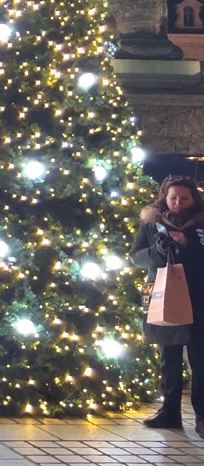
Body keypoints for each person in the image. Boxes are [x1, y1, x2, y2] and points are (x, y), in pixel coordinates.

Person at [131, 175, 204, 434]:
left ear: (194, 198)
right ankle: (169, 412)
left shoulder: (201, 223)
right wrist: (159, 252)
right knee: (168, 357)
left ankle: (202, 417)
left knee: (200, 358)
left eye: (184, 198)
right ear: (165, 198)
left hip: (198, 297)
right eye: (173, 198)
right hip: (163, 295)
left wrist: (191, 246)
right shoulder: (152, 223)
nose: (178, 203)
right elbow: (135, 257)